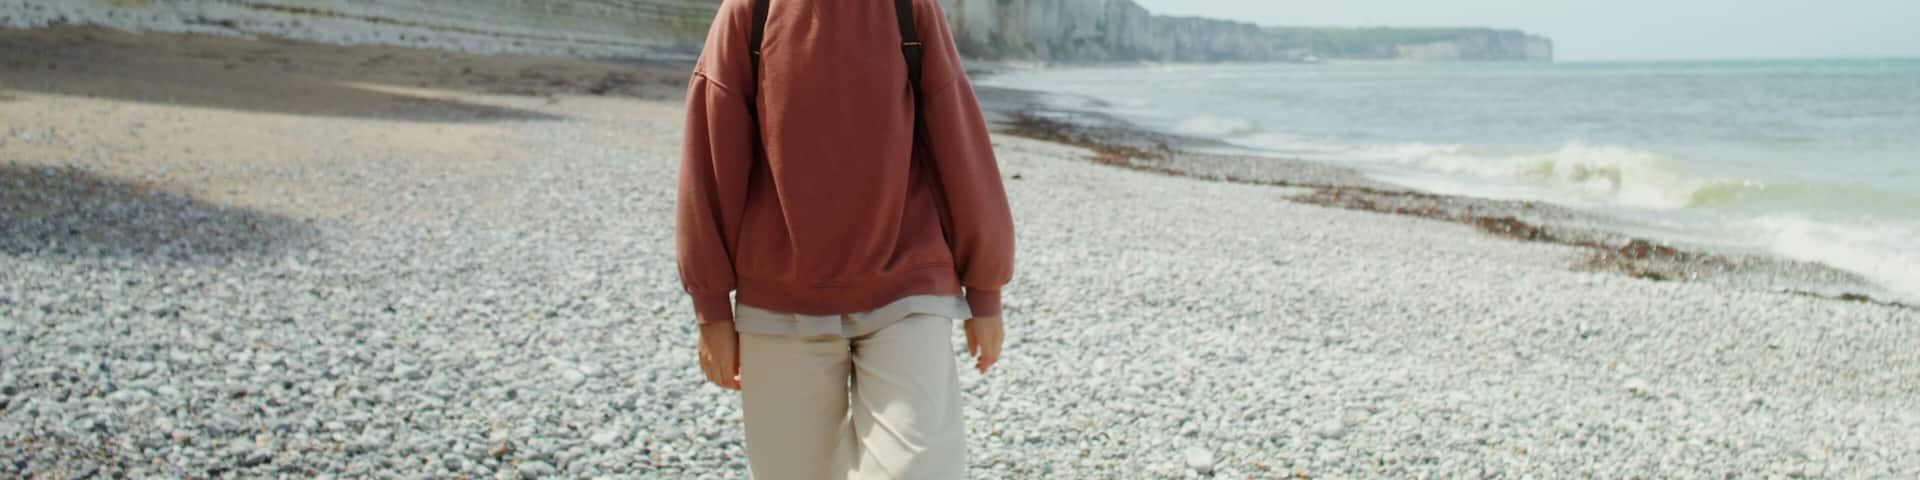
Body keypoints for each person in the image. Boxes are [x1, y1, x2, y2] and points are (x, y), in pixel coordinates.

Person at [674, 0, 1015, 477]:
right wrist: (710, 309)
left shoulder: (910, 8)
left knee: (919, 471)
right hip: (780, 301)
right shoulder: (749, 12)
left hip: (906, 288)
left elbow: (957, 139)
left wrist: (985, 291)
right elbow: (710, 159)